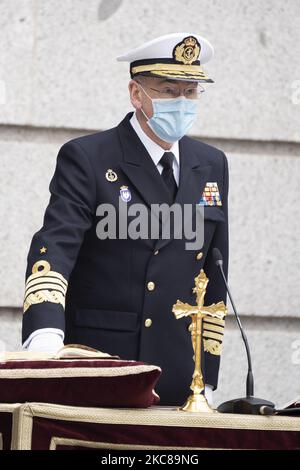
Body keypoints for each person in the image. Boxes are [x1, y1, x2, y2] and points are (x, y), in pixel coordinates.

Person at [22, 33, 229, 407]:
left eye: (191, 92)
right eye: (168, 90)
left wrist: (207, 376)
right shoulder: (89, 157)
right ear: (136, 94)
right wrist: (45, 335)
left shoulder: (211, 164)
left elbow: (213, 272)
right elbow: (55, 247)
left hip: (180, 378)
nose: (182, 103)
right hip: (104, 371)